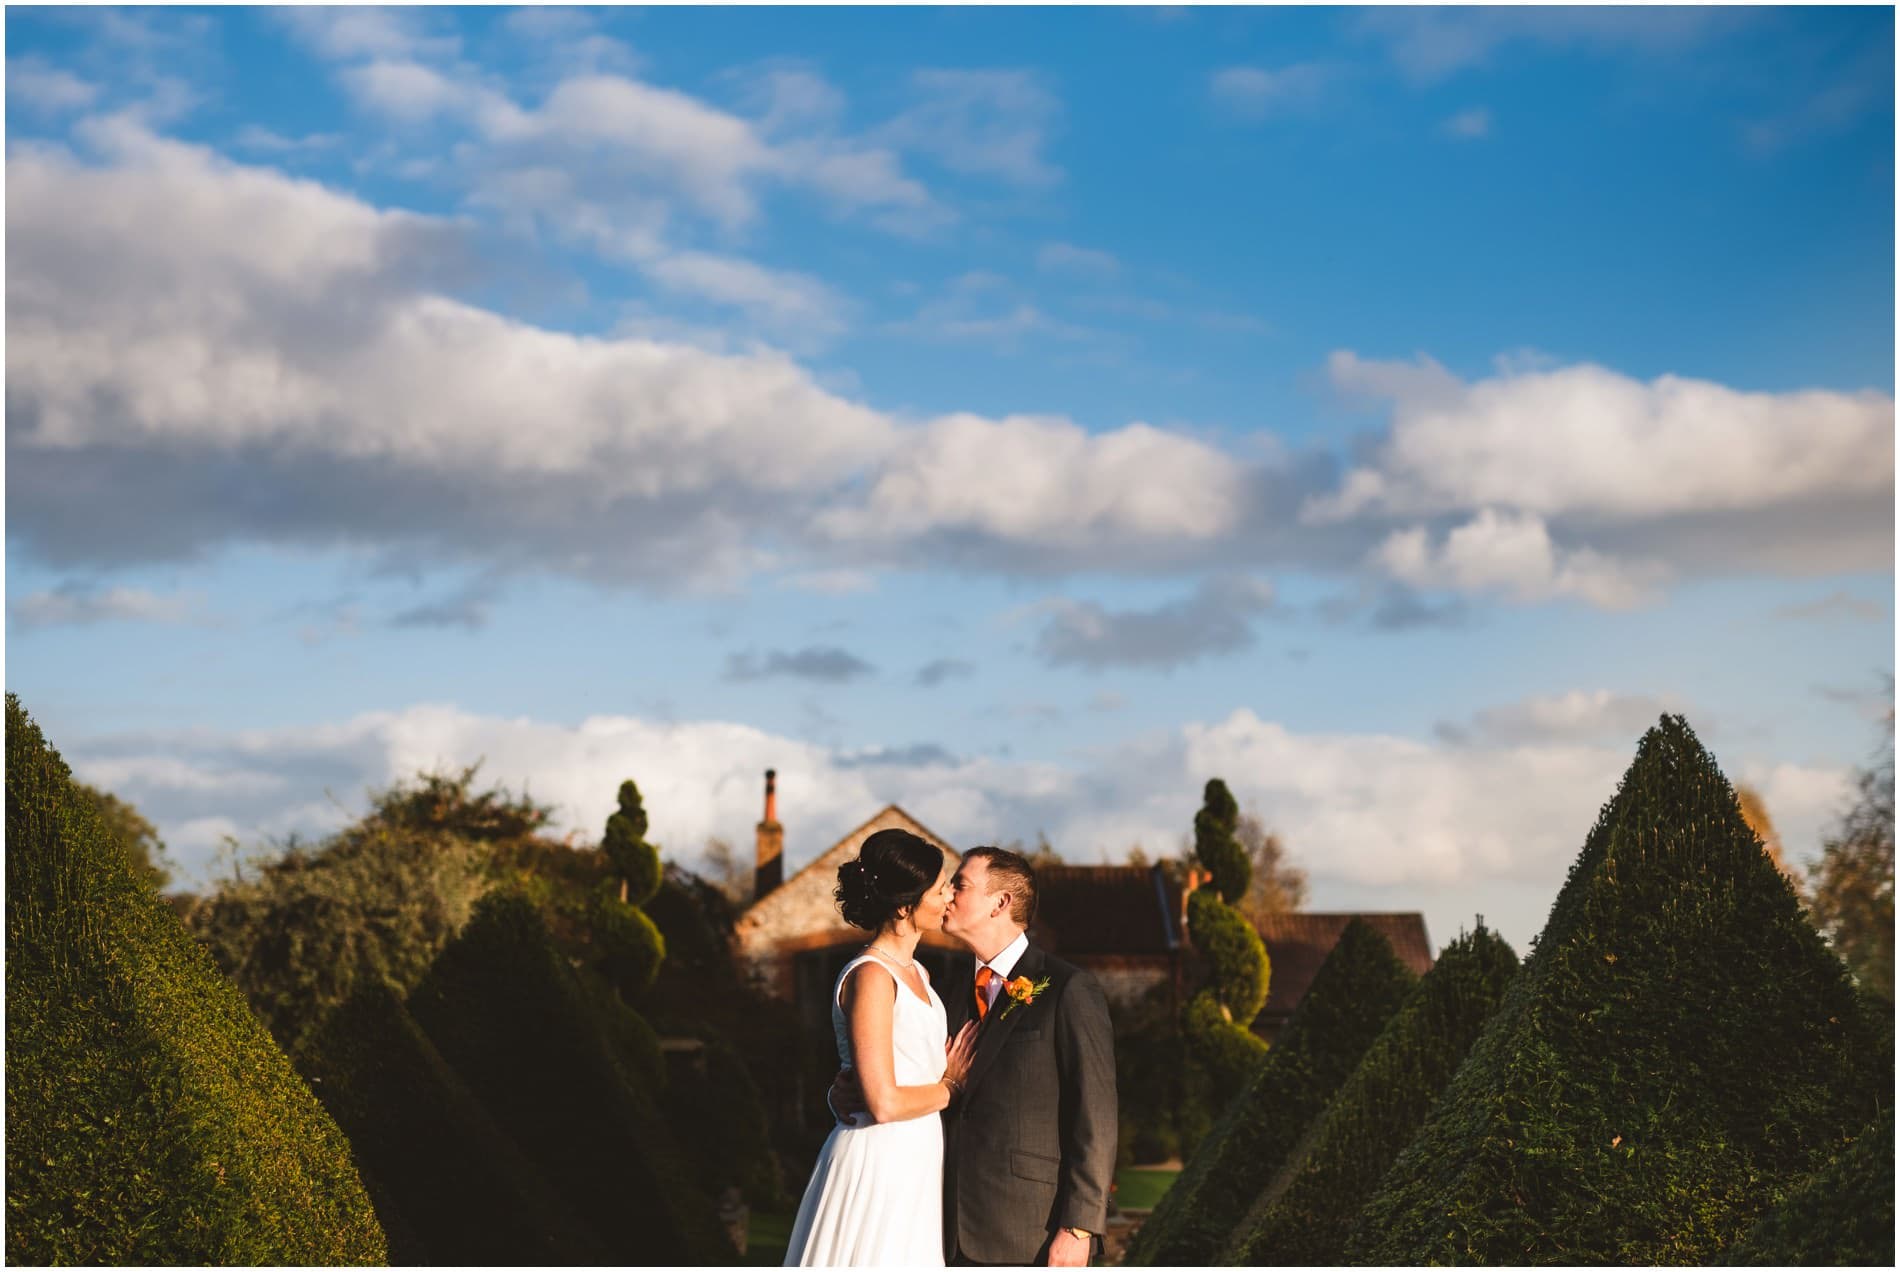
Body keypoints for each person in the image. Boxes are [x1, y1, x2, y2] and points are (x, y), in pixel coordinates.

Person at [834, 846, 1118, 1266]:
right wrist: (845, 1088)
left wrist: (1079, 1228)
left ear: (1000, 903)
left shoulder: (1067, 988)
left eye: (960, 884)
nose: (947, 893)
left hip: (1029, 1229)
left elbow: (1097, 1115)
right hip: (936, 1224)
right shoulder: (939, 994)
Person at [783, 828, 980, 1267]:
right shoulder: (872, 976)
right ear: (906, 906)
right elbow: (884, 1103)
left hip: (917, 1158)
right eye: (940, 887)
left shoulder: (921, 975)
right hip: (879, 1160)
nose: (949, 894)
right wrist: (952, 1085)